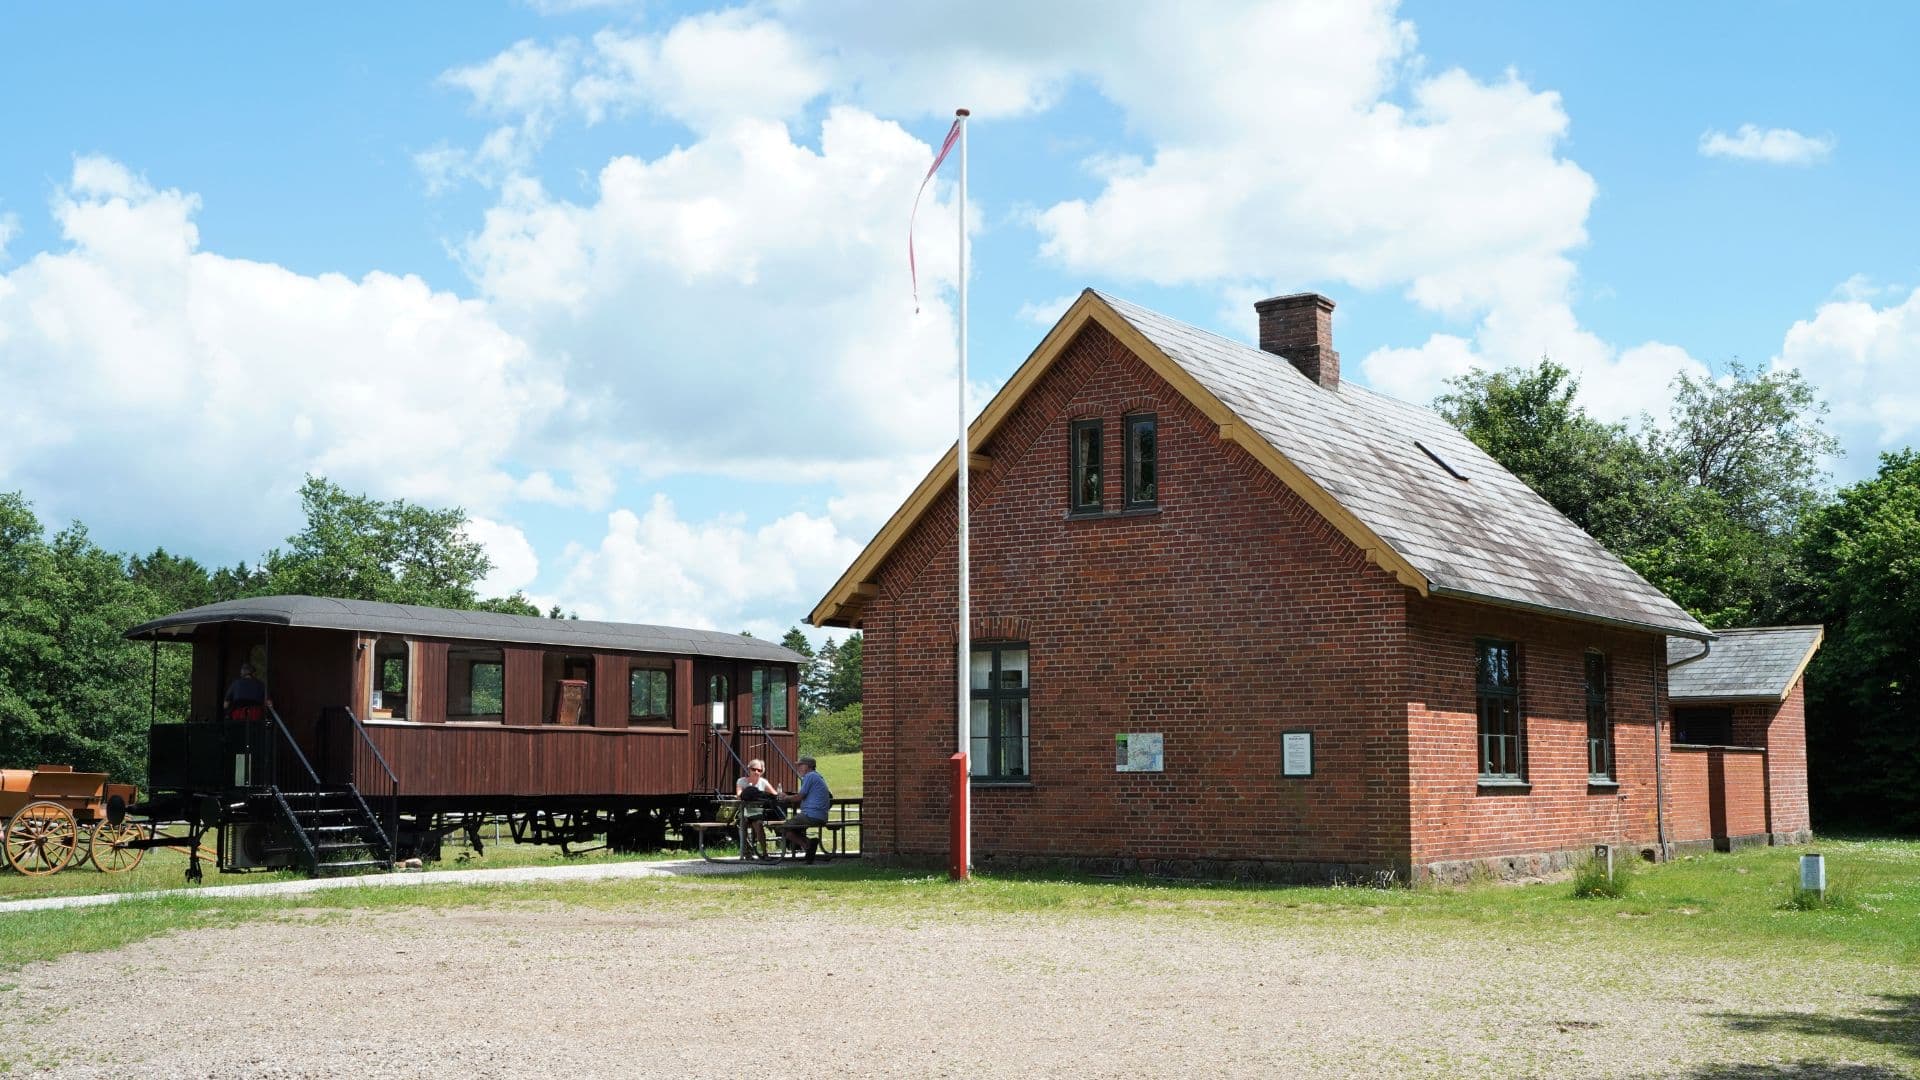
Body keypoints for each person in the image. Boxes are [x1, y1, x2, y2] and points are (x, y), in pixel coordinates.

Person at [778, 756, 834, 864]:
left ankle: (807, 845)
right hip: (820, 815)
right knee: (792, 830)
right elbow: (803, 796)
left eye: (800, 765)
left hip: (811, 815)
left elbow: (799, 797)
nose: (798, 768)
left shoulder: (810, 776)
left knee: (783, 828)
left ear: (808, 766)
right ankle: (809, 846)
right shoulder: (817, 776)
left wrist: (785, 797)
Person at [734, 759, 783, 860]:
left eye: (759, 770)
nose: (756, 772)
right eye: (753, 769)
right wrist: (748, 793)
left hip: (757, 811)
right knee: (743, 824)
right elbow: (739, 795)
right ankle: (746, 852)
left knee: (759, 826)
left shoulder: (763, 782)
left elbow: (775, 795)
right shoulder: (741, 781)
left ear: (762, 772)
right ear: (749, 770)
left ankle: (765, 853)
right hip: (744, 811)